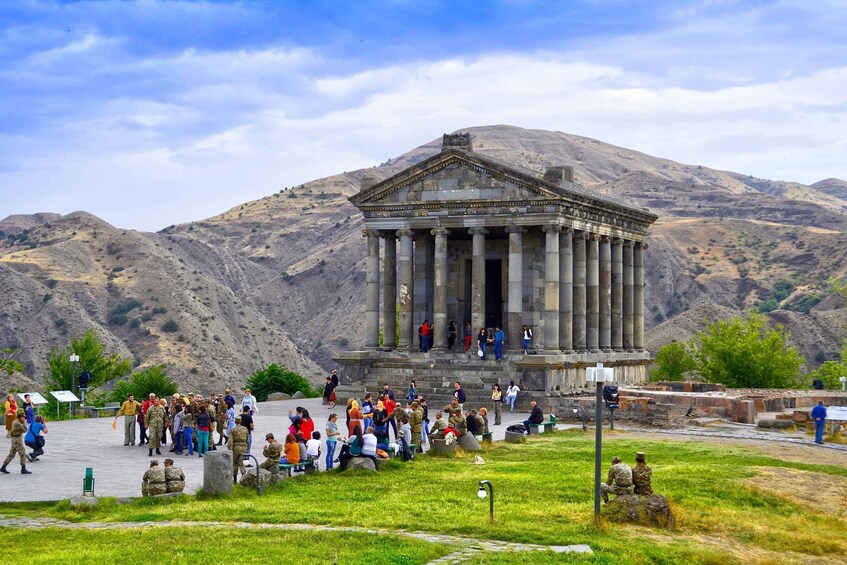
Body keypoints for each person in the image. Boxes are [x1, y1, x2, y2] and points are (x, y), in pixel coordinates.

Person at [227, 416, 249, 483]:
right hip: (244, 448)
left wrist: (230, 449)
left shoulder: (233, 430)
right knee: (242, 464)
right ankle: (244, 477)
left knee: (235, 464)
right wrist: (247, 448)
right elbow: (247, 440)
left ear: (235, 422)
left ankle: (235, 479)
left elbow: (230, 441)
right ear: (241, 421)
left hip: (236, 448)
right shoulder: (245, 429)